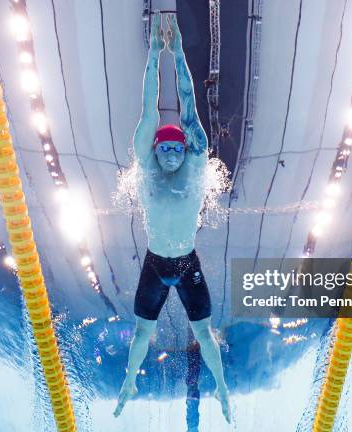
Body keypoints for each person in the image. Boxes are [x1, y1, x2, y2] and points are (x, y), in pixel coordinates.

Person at [113, 13, 231, 423]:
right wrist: (154, 54)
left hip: (186, 264)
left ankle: (223, 388)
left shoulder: (196, 166)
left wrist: (179, 54)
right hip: (155, 263)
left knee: (204, 332)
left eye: (174, 150)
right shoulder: (144, 166)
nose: (168, 155)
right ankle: (129, 381)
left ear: (185, 152)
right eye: (162, 150)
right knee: (142, 331)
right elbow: (149, 110)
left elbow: (188, 103)